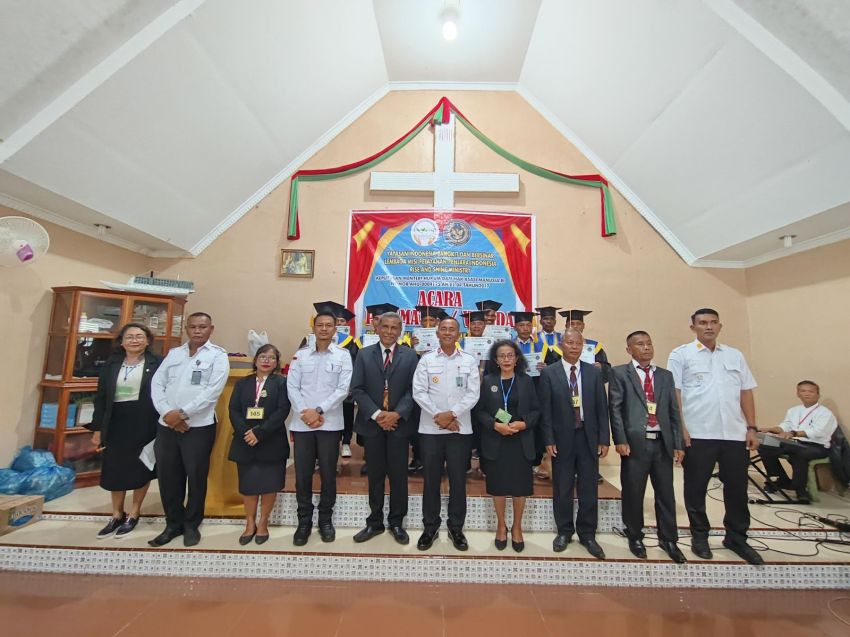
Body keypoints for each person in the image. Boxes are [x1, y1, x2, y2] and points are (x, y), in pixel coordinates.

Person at [667, 308, 763, 565]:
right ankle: (699, 536)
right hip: (699, 432)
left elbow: (746, 392)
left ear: (720, 326)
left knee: (737, 488)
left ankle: (737, 537)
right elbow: (674, 393)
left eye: (713, 323)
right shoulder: (681, 354)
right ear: (693, 328)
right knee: (696, 488)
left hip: (734, 433)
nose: (708, 327)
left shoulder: (734, 355)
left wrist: (751, 427)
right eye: (702, 323)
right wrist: (681, 428)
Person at [150, 312, 229, 547]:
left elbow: (212, 392)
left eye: (202, 327)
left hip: (199, 426)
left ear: (211, 329)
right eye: (193, 327)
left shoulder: (218, 356)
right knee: (168, 476)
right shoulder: (174, 354)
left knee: (196, 477)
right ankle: (172, 523)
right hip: (167, 425)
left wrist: (182, 414)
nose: (197, 330)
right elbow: (157, 384)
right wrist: (167, 413)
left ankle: (192, 525)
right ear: (186, 329)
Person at [609, 331, 686, 563]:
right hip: (635, 444)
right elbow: (615, 408)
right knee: (633, 492)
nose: (646, 348)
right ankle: (635, 535)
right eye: (640, 344)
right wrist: (620, 439)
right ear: (629, 349)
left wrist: (678, 443)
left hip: (662, 443)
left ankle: (668, 539)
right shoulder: (620, 373)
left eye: (649, 343)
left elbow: (673, 411)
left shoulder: (664, 375)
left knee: (666, 493)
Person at [539, 328, 610, 559]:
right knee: (562, 487)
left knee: (589, 488)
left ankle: (588, 534)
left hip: (588, 437)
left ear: (583, 346)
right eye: (569, 342)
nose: (574, 347)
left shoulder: (593, 372)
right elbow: (545, 410)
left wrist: (604, 438)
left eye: (578, 343)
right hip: (561, 439)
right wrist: (548, 439)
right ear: (561, 345)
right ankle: (564, 531)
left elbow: (602, 407)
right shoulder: (549, 373)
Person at [350, 311, 419, 545]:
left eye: (394, 328)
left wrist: (396, 414)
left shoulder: (410, 356)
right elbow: (357, 389)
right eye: (385, 327)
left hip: (399, 424)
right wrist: (378, 414)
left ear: (400, 331)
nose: (389, 331)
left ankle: (397, 522)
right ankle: (375, 521)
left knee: (399, 475)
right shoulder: (363, 354)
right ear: (377, 328)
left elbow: (414, 390)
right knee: (375, 475)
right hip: (373, 424)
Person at [412, 316, 481, 551]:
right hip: (430, 430)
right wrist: (439, 416)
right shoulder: (426, 360)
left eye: (452, 329)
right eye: (444, 329)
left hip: (460, 430)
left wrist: (451, 415)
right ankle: (430, 527)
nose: (448, 333)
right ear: (437, 333)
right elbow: (419, 392)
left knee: (458, 480)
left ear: (458, 334)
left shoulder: (469, 360)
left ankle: (456, 527)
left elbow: (473, 394)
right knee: (431, 480)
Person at [87, 323, 161, 539]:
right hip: (116, 421)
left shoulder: (157, 363)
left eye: (139, 336)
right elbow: (101, 397)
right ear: (121, 341)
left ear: (147, 340)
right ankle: (117, 514)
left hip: (145, 421)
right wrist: (97, 428)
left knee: (142, 466)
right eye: (129, 337)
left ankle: (135, 512)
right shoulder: (111, 364)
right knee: (115, 468)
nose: (134, 340)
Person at [287, 307, 353, 545]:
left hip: (329, 423)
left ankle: (325, 520)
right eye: (320, 325)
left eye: (328, 325)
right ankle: (304, 521)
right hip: (303, 423)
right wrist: (306, 412)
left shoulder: (343, 355)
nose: (324, 329)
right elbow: (292, 387)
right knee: (303, 475)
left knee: (328, 474)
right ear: (313, 328)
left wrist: (319, 410)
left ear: (336, 329)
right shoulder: (301, 355)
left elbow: (343, 389)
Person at [473, 340, 539, 552]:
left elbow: (536, 410)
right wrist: (495, 425)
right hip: (496, 440)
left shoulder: (526, 381)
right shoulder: (488, 381)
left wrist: (524, 423)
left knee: (520, 488)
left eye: (510, 355)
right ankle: (501, 526)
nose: (506, 359)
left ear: (517, 358)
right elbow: (479, 411)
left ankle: (517, 527)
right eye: (502, 356)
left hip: (521, 440)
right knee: (498, 486)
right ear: (496, 360)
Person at [228, 344, 291, 545]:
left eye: (271, 358)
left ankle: (263, 523)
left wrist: (260, 432)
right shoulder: (243, 383)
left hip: (271, 440)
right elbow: (233, 409)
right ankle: (249, 523)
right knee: (249, 486)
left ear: (276, 362)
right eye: (262, 356)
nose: (266, 361)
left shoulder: (281, 383)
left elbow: (282, 410)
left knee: (269, 485)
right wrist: (246, 432)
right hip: (245, 440)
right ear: (255, 360)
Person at [759, 380, 838, 503]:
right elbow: (785, 426)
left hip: (817, 446)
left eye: (811, 391)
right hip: (795, 444)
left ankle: (800, 490)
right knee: (764, 444)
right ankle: (779, 479)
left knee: (799, 453)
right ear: (798, 393)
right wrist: (769, 429)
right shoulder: (793, 410)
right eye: (803, 391)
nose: (807, 393)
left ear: (818, 395)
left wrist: (793, 433)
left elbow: (818, 432)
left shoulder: (825, 413)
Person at [558, 309, 611, 383]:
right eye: (571, 324)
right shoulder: (558, 348)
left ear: (583, 326)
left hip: (589, 384)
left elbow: (608, 370)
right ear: (566, 326)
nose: (575, 326)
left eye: (578, 324)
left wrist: (601, 367)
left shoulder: (595, 347)